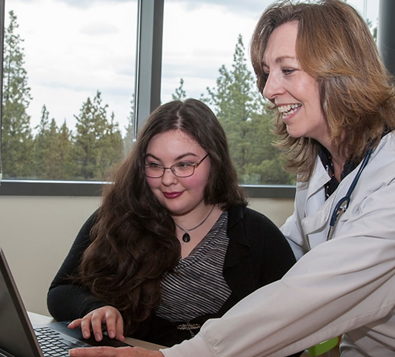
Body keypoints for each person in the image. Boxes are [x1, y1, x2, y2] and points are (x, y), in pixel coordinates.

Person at [67, 0, 395, 356]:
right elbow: (295, 252)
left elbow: (310, 290)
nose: (269, 90)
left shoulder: (388, 179)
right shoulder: (322, 169)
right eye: (267, 72)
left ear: (341, 70)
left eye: (287, 70)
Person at [47, 98, 298, 350]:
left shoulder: (258, 236)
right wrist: (96, 307)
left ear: (215, 161)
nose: (167, 179)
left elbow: (294, 330)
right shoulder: (115, 219)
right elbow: (60, 291)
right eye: (154, 165)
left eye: (184, 164)